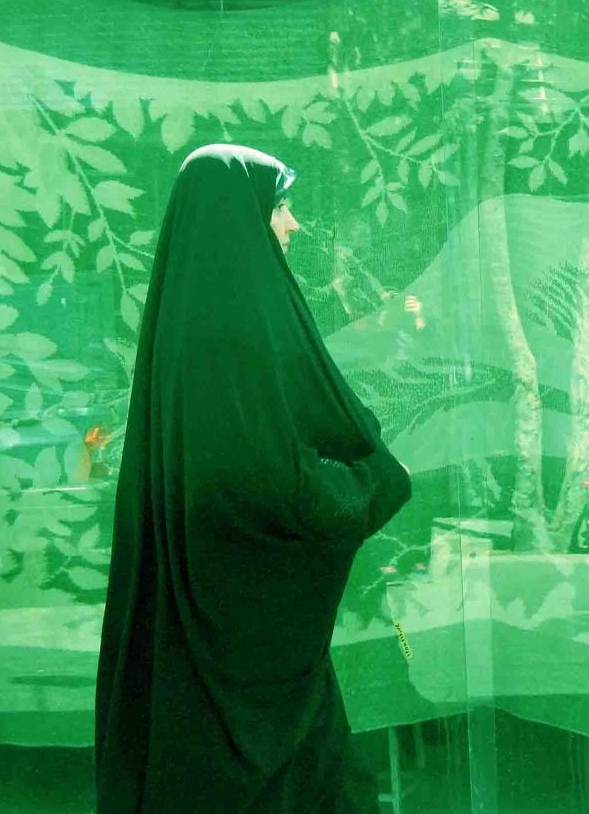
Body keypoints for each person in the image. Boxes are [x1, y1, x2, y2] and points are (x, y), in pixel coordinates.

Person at [94, 143, 412, 814]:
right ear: (239, 218)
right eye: (279, 205)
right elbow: (271, 485)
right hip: (247, 654)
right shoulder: (235, 337)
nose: (292, 222)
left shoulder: (188, 328)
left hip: (201, 635)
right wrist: (371, 486)